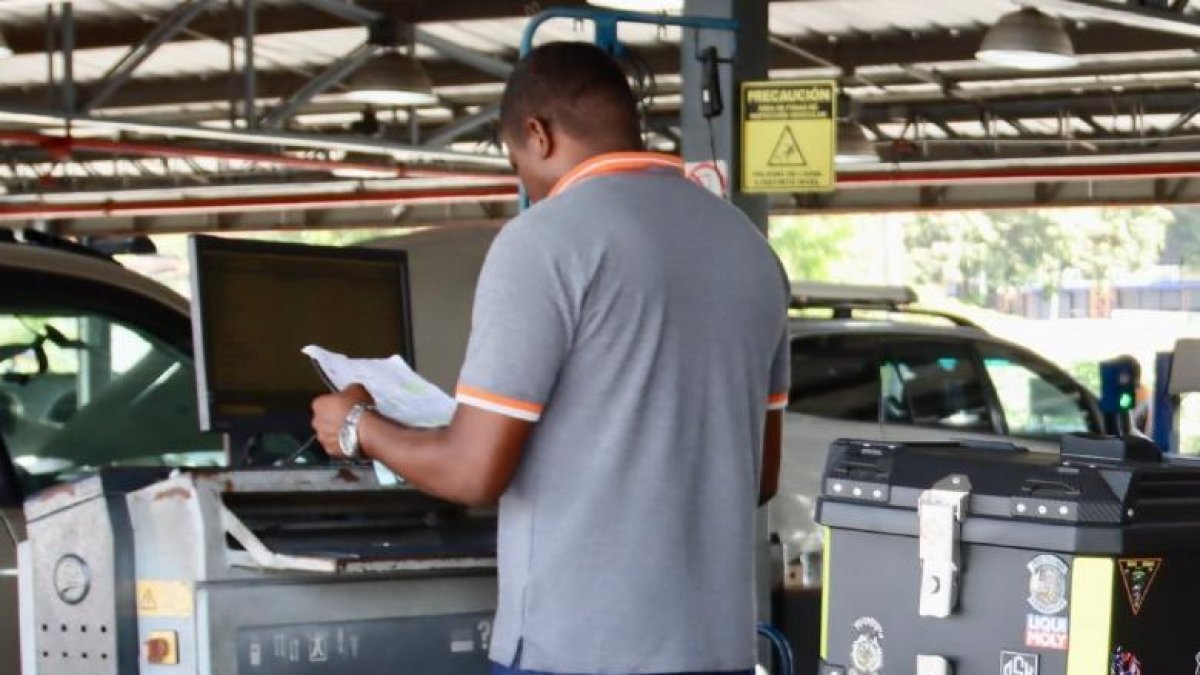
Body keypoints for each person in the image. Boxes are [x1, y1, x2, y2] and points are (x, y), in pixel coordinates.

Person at [311, 41, 790, 675]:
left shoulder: (545, 240)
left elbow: (472, 472)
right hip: (718, 650)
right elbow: (760, 474)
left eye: (515, 160)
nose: (525, 181)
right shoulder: (750, 249)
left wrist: (356, 427)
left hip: (575, 652)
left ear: (536, 134)